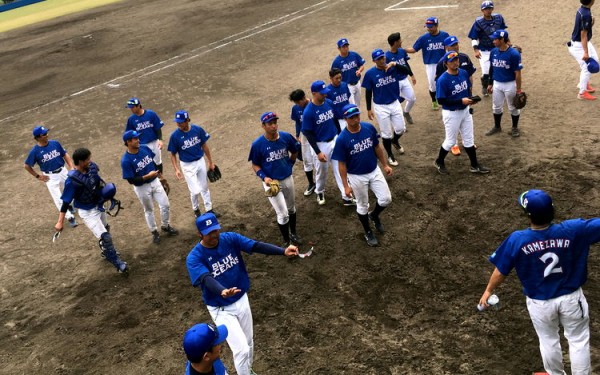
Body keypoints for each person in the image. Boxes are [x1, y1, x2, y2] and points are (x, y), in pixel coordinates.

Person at [479, 189, 600, 375]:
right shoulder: (574, 229)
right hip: (571, 300)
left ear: (528, 215)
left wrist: (488, 291)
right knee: (578, 340)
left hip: (540, 303)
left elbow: (501, 270)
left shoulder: (517, 239)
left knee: (548, 340)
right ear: (553, 210)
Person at [186, 213, 299, 375]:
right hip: (221, 308)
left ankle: (248, 370)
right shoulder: (194, 257)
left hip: (241, 298)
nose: (214, 235)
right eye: (209, 232)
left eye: (215, 230)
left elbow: (255, 246)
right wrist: (221, 290)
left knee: (249, 343)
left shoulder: (229, 238)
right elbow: (205, 278)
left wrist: (282, 251)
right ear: (200, 234)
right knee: (242, 350)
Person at [54, 148, 128, 273]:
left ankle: (105, 251)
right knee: (105, 237)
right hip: (87, 212)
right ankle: (118, 263)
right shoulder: (72, 181)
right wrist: (60, 221)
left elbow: (98, 183)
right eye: (88, 159)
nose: (90, 161)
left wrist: (108, 195)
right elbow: (66, 201)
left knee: (106, 229)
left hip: (99, 206)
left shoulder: (92, 168)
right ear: (81, 162)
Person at [332, 104, 392, 247]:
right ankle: (367, 231)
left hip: (374, 170)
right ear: (345, 119)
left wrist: (385, 165)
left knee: (386, 199)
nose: (356, 119)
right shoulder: (342, 139)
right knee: (362, 205)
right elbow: (341, 164)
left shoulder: (368, 128)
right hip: (356, 176)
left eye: (357, 115)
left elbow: (377, 147)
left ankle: (374, 215)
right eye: (351, 117)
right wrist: (346, 186)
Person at [248, 111, 303, 246]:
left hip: (287, 178)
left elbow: (295, 150)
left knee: (291, 209)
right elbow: (255, 164)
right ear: (263, 126)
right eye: (270, 123)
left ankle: (293, 233)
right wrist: (264, 177)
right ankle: (286, 241)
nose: (273, 126)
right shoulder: (257, 144)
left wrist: (290, 164)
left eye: (275, 122)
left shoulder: (285, 137)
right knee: (283, 214)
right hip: (271, 183)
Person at [434, 51, 490, 175]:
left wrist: (470, 101)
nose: (455, 62)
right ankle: (439, 161)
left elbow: (467, 90)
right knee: (450, 141)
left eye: (456, 59)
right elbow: (441, 100)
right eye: (452, 61)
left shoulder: (463, 73)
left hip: (465, 111)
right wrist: (461, 101)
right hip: (451, 113)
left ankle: (474, 165)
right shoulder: (442, 80)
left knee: (469, 140)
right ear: (446, 63)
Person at [301, 80, 354, 207]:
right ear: (314, 93)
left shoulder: (329, 103)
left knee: (340, 168)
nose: (325, 95)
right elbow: (308, 133)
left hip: (334, 140)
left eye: (325, 92)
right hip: (320, 145)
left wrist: (340, 136)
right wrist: (318, 152)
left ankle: (346, 196)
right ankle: (319, 191)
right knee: (322, 172)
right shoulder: (308, 112)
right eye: (322, 93)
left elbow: (335, 120)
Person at [121, 130, 178, 244]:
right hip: (141, 188)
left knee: (165, 205)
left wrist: (161, 177)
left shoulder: (144, 148)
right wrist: (147, 176)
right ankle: (154, 232)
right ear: (128, 142)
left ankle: (165, 225)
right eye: (135, 139)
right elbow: (131, 180)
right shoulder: (126, 160)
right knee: (149, 210)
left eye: (138, 138)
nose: (138, 140)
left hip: (155, 181)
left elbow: (154, 163)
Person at [362, 48, 410, 166]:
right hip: (381, 106)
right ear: (374, 61)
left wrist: (395, 64)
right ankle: (390, 155)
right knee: (386, 134)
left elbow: (407, 70)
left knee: (400, 129)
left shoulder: (393, 68)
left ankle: (395, 141)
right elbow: (368, 92)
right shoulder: (370, 74)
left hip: (394, 102)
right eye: (379, 59)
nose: (382, 60)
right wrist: (369, 109)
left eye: (383, 57)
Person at [24, 126, 78, 228]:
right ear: (38, 137)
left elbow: (64, 154)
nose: (47, 135)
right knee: (58, 199)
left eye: (46, 132)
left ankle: (69, 205)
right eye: (44, 134)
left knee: (71, 189)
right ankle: (70, 217)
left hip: (63, 171)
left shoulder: (55, 143)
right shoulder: (35, 151)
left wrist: (71, 166)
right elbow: (27, 166)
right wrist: (38, 176)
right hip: (50, 177)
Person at [168, 110, 218, 217]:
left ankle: (209, 209)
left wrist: (210, 162)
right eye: (177, 122)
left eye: (181, 122)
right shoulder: (175, 136)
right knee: (195, 190)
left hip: (200, 161)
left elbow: (204, 146)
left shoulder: (197, 130)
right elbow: (172, 154)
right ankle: (196, 209)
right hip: (187, 165)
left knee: (204, 187)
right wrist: (176, 169)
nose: (178, 124)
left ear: (187, 121)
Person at [434, 36, 477, 157]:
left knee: (468, 137)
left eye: (456, 44)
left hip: (464, 104)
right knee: (451, 139)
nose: (455, 47)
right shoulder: (441, 66)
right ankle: (453, 147)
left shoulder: (464, 60)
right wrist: (459, 99)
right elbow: (441, 92)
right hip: (451, 107)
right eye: (452, 45)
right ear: (447, 48)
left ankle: (474, 162)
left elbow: (469, 78)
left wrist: (470, 97)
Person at [405, 17, 450, 110]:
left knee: (446, 81)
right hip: (431, 65)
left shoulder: (445, 35)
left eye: (431, 27)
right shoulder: (423, 38)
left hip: (444, 63)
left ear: (436, 26)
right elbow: (414, 49)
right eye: (427, 27)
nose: (429, 29)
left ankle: (446, 99)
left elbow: (449, 47)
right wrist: (402, 50)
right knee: (432, 84)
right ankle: (434, 100)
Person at [485, 30, 524, 137]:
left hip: (510, 84)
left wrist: (519, 89)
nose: (493, 41)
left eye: (495, 39)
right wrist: (490, 83)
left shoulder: (514, 54)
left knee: (513, 107)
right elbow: (492, 68)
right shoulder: (493, 52)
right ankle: (497, 127)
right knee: (496, 107)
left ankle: (515, 128)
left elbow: (518, 73)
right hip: (497, 83)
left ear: (502, 40)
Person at [125, 97, 170, 188]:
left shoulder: (151, 114)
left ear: (138, 106)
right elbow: (129, 134)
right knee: (149, 162)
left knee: (158, 161)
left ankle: (160, 178)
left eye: (132, 107)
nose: (131, 109)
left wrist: (160, 140)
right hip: (142, 145)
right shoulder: (131, 119)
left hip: (154, 142)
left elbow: (157, 128)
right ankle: (155, 179)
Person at [468, 1, 508, 97]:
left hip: (498, 48)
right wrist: (476, 50)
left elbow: (503, 33)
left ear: (492, 9)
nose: (488, 10)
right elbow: (474, 37)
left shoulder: (499, 18)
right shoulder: (478, 22)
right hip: (484, 51)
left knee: (499, 67)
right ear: (482, 10)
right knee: (486, 72)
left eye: (490, 8)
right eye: (486, 9)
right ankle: (485, 85)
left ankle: (500, 86)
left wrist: (508, 43)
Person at [568, 0, 598, 101]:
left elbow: (583, 29)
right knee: (587, 66)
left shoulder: (582, 9)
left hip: (582, 42)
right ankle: (582, 93)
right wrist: (585, 52)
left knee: (595, 61)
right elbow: (583, 35)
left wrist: (590, 24)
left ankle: (584, 83)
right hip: (579, 45)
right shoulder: (585, 14)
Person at [386, 32, 417, 125]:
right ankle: (400, 123)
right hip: (394, 82)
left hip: (404, 79)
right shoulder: (386, 56)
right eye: (399, 40)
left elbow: (405, 64)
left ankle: (406, 112)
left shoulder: (402, 51)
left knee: (412, 99)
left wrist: (412, 75)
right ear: (395, 42)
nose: (401, 41)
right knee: (396, 103)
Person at [289, 89, 316, 196]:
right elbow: (298, 122)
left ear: (304, 98)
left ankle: (319, 184)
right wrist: (297, 135)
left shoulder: (314, 105)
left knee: (318, 160)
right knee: (307, 160)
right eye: (295, 103)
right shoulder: (296, 108)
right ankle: (311, 183)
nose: (297, 105)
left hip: (316, 135)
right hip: (305, 135)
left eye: (298, 102)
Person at [331, 38, 366, 107]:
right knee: (352, 105)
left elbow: (361, 65)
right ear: (339, 48)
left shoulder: (354, 55)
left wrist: (359, 70)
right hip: (347, 86)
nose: (346, 48)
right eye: (343, 47)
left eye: (347, 46)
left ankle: (357, 117)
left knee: (358, 104)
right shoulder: (336, 62)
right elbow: (333, 76)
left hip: (357, 83)